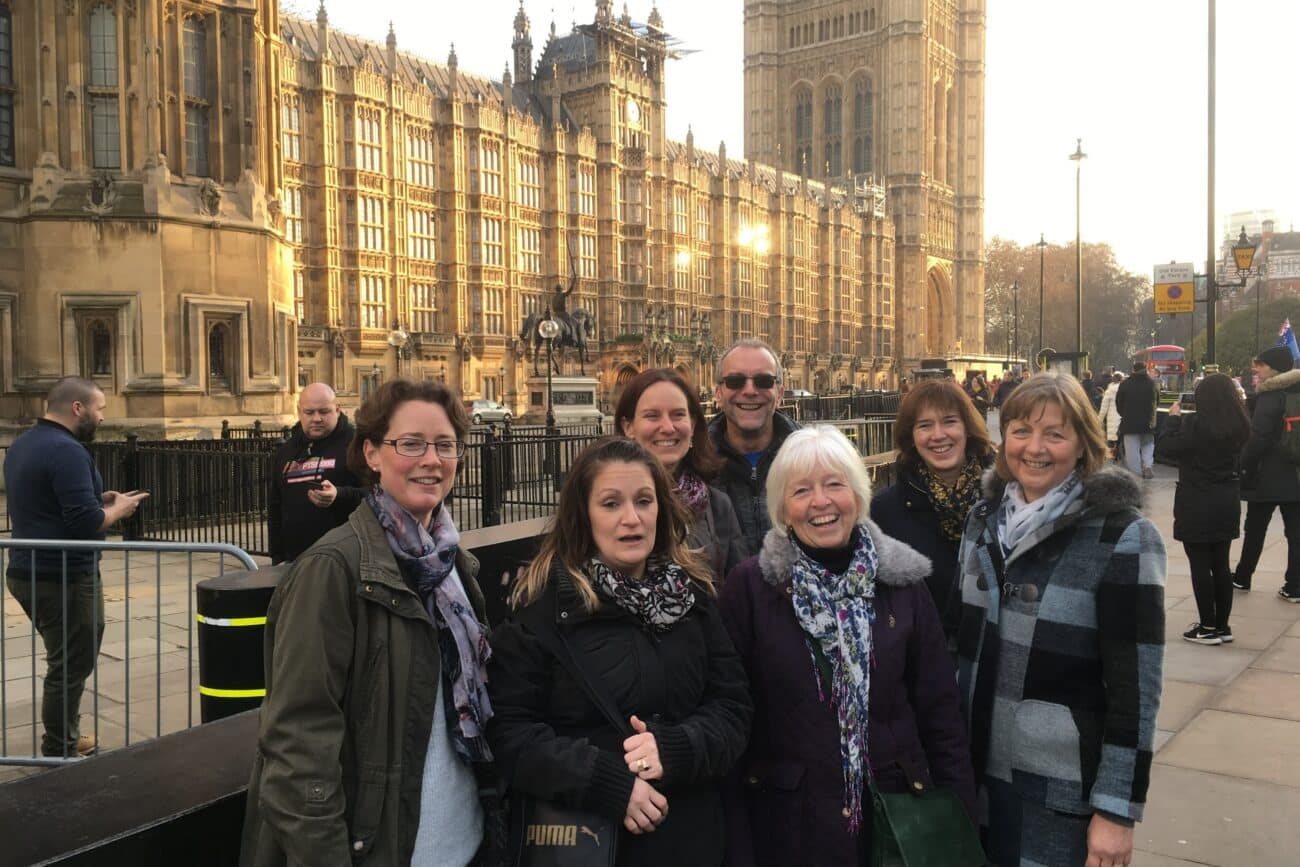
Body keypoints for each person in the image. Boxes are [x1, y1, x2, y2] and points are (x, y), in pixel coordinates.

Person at [241, 380, 499, 867]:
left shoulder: (453, 564)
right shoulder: (330, 570)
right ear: (372, 454)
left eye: (445, 445)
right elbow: (298, 745)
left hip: (465, 839)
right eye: (411, 443)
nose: (431, 460)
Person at [487, 437, 752, 867]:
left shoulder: (693, 598)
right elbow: (510, 733)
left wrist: (677, 748)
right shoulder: (541, 609)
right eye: (611, 504)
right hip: (585, 843)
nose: (631, 518)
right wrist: (605, 782)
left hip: (690, 840)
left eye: (644, 501)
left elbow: (733, 707)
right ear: (583, 515)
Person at [719, 426, 975, 867]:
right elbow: (731, 718)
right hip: (790, 826)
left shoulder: (901, 583)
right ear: (783, 507)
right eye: (802, 490)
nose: (821, 502)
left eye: (835, 484)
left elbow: (940, 712)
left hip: (895, 820)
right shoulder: (750, 589)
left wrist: (958, 823)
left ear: (857, 494)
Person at [955, 373, 1166, 867]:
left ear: (1083, 444)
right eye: (1021, 431)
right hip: (972, 774)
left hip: (1059, 791)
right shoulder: (982, 521)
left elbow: (1135, 691)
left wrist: (1116, 810)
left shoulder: (1122, 536)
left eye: (1055, 434)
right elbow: (955, 641)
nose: (1035, 448)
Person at [3, 377, 148, 758]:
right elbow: (86, 523)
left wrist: (98, 498)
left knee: (64, 658)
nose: (102, 418)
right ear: (78, 408)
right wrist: (119, 509)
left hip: (28, 571)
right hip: (63, 576)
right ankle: (60, 749)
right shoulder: (66, 450)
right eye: (100, 409)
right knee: (70, 664)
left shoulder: (24, 444)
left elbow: (48, 503)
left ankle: (66, 733)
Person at [870, 380, 996, 642]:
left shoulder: (1005, 498)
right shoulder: (883, 512)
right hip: (926, 654)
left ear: (967, 428)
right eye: (924, 425)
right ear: (911, 436)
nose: (938, 435)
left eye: (949, 421)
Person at [617, 368, 748, 580]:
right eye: (652, 416)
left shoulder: (718, 506)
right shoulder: (601, 502)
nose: (667, 427)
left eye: (678, 415)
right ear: (628, 427)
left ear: (693, 424)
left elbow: (737, 587)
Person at [1158, 374, 1251, 643]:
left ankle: (1207, 626)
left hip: (1197, 498)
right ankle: (1222, 626)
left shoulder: (1195, 424)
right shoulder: (1239, 425)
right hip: (1226, 498)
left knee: (1200, 564)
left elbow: (1166, 449)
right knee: (1221, 563)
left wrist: (1172, 420)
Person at [708, 338, 800, 553]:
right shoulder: (693, 466)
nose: (749, 390)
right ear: (718, 394)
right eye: (735, 381)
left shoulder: (814, 460)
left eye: (764, 381)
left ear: (780, 394)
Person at [268, 382, 366, 564]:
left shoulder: (358, 446)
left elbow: (380, 496)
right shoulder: (287, 451)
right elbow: (276, 506)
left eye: (324, 411)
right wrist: (277, 556)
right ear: (299, 412)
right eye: (309, 412)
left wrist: (339, 494)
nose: (316, 418)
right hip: (295, 562)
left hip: (345, 561)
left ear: (337, 409)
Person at [1232, 345, 1300, 600]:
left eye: (1260, 365)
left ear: (1274, 368)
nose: (1256, 369)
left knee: (1255, 529)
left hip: (1267, 474)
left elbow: (1258, 438)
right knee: (1296, 534)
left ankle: (1242, 577)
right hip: (1296, 474)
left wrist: (1242, 464)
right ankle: (1295, 586)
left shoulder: (1271, 395)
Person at [1116, 360, 1158, 479]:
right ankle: (1148, 465)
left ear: (1133, 370)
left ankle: (1136, 473)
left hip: (1130, 422)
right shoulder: (1152, 383)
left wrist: (1124, 414)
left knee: (1132, 449)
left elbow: (1119, 402)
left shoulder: (1125, 384)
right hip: (1148, 422)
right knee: (1148, 444)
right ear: (1146, 369)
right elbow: (1157, 401)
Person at [1097, 371, 1124, 458]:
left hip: (1112, 417)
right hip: (1124, 417)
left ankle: (1113, 456)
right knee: (1122, 437)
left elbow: (1104, 407)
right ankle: (1120, 454)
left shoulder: (1109, 391)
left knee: (1112, 439)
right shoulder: (1126, 389)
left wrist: (1099, 420)